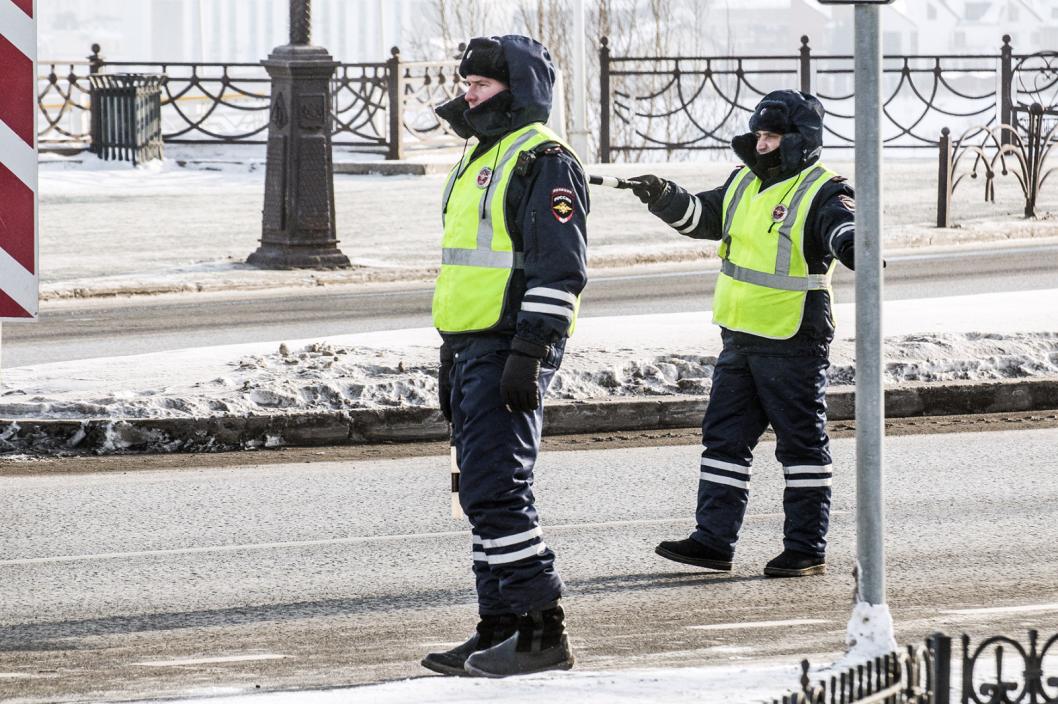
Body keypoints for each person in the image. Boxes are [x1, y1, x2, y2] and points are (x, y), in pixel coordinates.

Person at [627, 89, 856, 578]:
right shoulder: (742, 182)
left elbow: (842, 228)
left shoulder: (824, 190)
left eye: (771, 136)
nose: (762, 143)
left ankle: (805, 549)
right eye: (759, 134)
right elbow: (703, 217)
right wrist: (664, 196)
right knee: (723, 441)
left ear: (799, 141)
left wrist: (855, 244)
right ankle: (713, 542)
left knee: (800, 446)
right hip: (740, 336)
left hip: (792, 338)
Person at [421, 35, 588, 677]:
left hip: (507, 346)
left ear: (515, 90)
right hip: (468, 345)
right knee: (479, 491)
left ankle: (543, 631)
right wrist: (452, 350)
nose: (468, 93)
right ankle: (498, 626)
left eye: (482, 85)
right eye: (467, 83)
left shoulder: (543, 159)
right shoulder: (479, 154)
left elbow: (559, 267)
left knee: (499, 489)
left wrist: (532, 349)